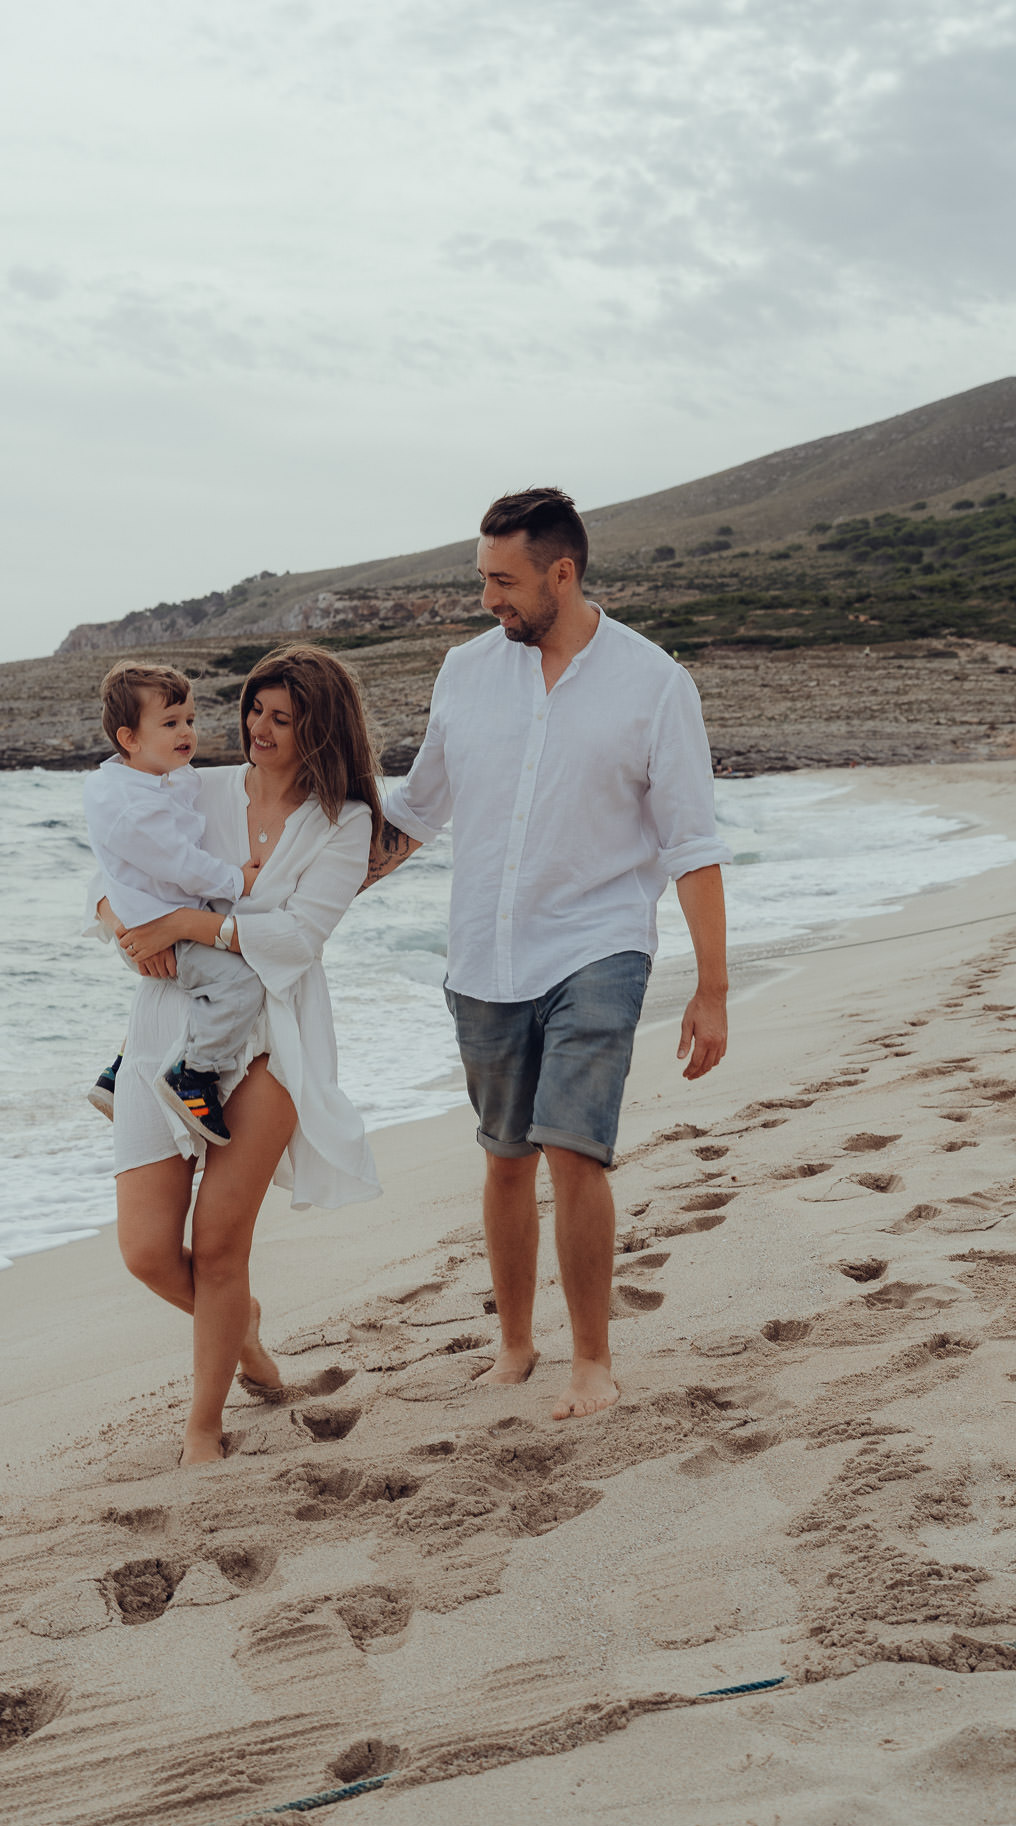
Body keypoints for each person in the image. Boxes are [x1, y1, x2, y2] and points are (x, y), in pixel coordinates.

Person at [367, 486, 731, 1423]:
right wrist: (293, 901)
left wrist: (712, 989)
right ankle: (517, 1344)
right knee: (504, 1159)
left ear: (560, 574)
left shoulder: (654, 683)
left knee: (574, 1150)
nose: (488, 597)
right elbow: (413, 814)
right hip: (485, 952)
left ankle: (593, 1362)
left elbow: (692, 845)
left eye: (502, 580)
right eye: (482, 577)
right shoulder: (464, 671)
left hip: (600, 943)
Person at [84, 644, 383, 1466]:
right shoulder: (196, 786)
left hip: (272, 1038)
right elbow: (113, 863)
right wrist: (122, 925)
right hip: (166, 1027)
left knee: (218, 1246)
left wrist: (186, 926)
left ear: (319, 730)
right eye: (255, 708)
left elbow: (301, 936)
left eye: (282, 719)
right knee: (147, 1251)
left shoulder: (344, 822)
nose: (259, 728)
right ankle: (242, 1329)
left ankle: (203, 1427)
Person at [83, 660, 266, 1145]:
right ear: (130, 739)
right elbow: (179, 863)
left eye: (189, 720)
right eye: (170, 724)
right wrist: (236, 880)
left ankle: (117, 1075)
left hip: (161, 920)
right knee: (241, 985)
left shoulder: (159, 776)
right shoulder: (133, 807)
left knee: (207, 985)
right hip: (152, 930)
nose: (187, 732)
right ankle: (193, 1076)